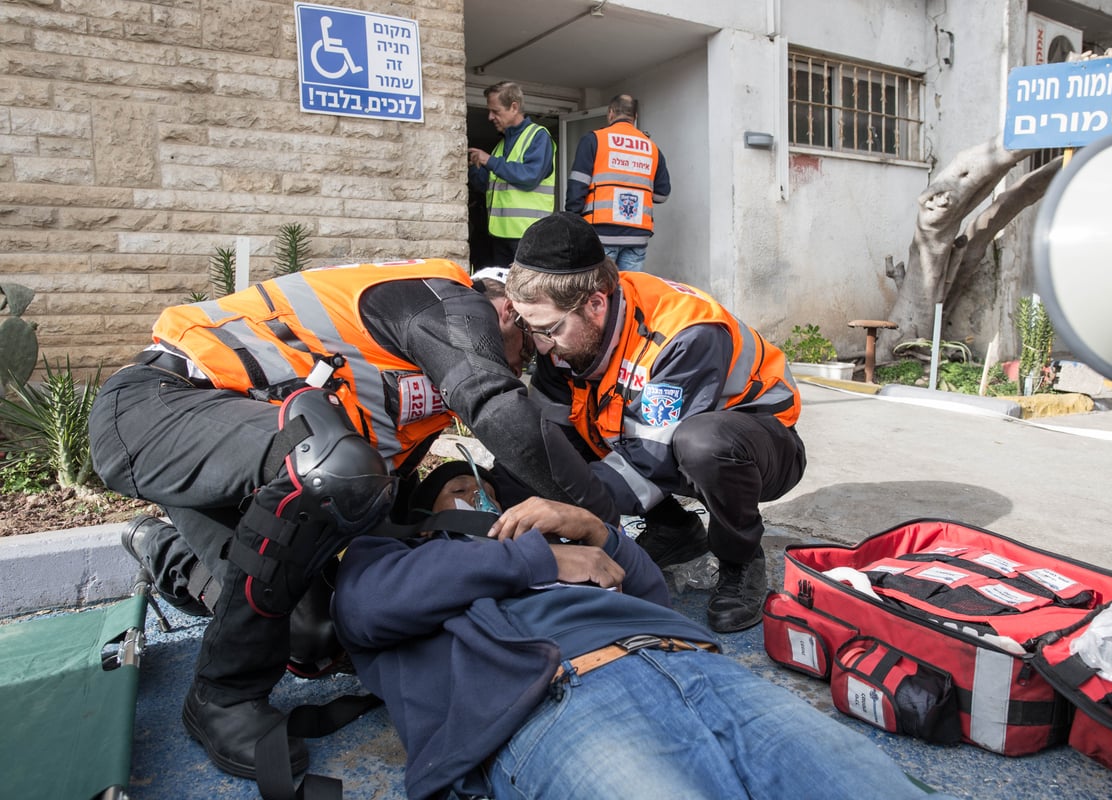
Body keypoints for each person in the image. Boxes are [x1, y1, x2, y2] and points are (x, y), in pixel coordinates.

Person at [88, 258, 616, 781]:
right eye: (530, 345)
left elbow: (376, 516)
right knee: (336, 466)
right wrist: (605, 521)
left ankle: (170, 556)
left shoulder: (421, 394)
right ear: (503, 309)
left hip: (248, 469)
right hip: (157, 408)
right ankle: (222, 694)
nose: (531, 358)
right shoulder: (447, 301)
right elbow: (503, 415)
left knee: (311, 638)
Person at [331, 488, 961, 800]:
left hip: (700, 668)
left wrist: (595, 532)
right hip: (561, 700)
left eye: (487, 494)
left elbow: (648, 596)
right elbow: (364, 608)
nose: (481, 503)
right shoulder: (397, 561)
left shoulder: (563, 550)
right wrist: (530, 558)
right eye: (460, 497)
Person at [504, 212, 807, 633]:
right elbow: (545, 435)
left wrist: (581, 516)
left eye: (548, 329)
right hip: (655, 443)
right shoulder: (562, 334)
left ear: (595, 303)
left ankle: (740, 559)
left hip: (758, 446)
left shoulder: (685, 331)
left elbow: (652, 457)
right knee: (554, 440)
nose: (539, 344)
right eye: (527, 325)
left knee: (701, 444)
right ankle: (675, 532)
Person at [565, 93, 671, 272]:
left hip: (601, 234)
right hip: (637, 236)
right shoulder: (652, 148)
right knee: (628, 291)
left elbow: (578, 186)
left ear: (611, 113)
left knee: (598, 292)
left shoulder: (594, 140)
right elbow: (662, 195)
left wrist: (572, 223)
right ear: (635, 117)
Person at [468, 81, 556, 267]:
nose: (490, 117)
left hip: (527, 237)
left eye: (496, 111)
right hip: (499, 236)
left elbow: (530, 177)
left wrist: (489, 161)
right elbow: (487, 186)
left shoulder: (538, 136)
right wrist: (473, 167)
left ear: (514, 107)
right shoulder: (501, 145)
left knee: (526, 294)